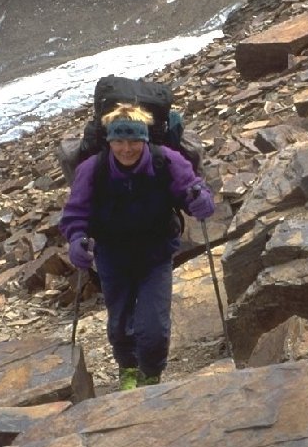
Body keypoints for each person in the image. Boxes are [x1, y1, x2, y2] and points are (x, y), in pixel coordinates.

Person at [60, 102, 215, 390]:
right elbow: (75, 213)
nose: (126, 148)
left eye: (133, 141)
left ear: (145, 139)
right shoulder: (92, 170)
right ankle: (127, 368)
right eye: (119, 141)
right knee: (119, 323)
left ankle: (151, 375)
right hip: (111, 255)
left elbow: (193, 189)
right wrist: (76, 239)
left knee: (153, 326)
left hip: (155, 253)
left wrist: (200, 199)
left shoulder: (166, 160)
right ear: (109, 141)